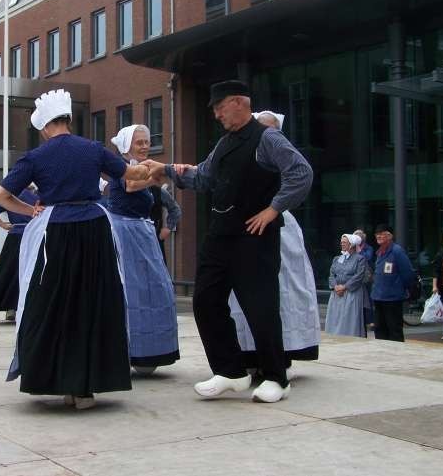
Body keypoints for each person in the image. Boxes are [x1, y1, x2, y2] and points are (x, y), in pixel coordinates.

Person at [145, 80, 313, 403]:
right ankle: (231, 371)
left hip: (254, 237)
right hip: (220, 234)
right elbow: (203, 177)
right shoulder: (224, 144)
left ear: (238, 102)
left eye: (220, 107)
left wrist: (273, 209)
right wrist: (164, 169)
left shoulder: (268, 138)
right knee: (205, 299)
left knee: (260, 307)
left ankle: (277, 378)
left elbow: (301, 173)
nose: (217, 114)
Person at [0, 89, 150, 410]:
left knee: (51, 304)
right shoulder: (92, 149)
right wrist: (154, 168)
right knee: (94, 302)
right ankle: (86, 387)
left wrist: (30, 211)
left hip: (56, 232)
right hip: (94, 229)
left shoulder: (36, 157)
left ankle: (59, 380)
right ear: (67, 120)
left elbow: (0, 197)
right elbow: (132, 174)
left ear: (45, 126)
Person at [228, 110, 320, 378]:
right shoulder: (243, 154)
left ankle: (283, 354)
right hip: (246, 222)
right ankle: (249, 353)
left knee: (285, 289)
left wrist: (275, 208)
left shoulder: (281, 155)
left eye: (271, 129)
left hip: (279, 225)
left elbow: (299, 177)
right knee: (246, 290)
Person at [108, 124, 179, 374]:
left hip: (142, 232)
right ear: (126, 146)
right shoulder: (120, 165)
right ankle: (127, 349)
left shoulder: (144, 165)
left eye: (147, 141)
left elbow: (170, 205)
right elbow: (130, 185)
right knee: (130, 290)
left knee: (153, 289)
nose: (145, 146)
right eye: (139, 142)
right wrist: (155, 177)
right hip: (124, 233)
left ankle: (149, 350)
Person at [0, 185, 40, 321]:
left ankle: (10, 307)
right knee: (30, 273)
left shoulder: (11, 196)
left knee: (9, 272)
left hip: (14, 236)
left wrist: (4, 225)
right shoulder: (37, 196)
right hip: (32, 236)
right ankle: (28, 308)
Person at [371, 224, 415, 342]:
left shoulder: (397, 251)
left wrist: (401, 289)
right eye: (377, 234)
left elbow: (407, 273)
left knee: (394, 330)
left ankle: (397, 352)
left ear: (390, 236)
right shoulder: (379, 252)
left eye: (382, 233)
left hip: (392, 298)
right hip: (378, 297)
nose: (378, 236)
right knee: (379, 329)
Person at [325, 233, 368, 337]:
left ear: (351, 244)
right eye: (341, 242)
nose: (342, 244)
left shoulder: (359, 259)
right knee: (336, 317)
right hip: (337, 293)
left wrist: (345, 287)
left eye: (344, 242)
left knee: (349, 319)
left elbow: (359, 276)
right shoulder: (337, 258)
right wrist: (335, 286)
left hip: (351, 294)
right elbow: (332, 274)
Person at [151, 184, 181, 265]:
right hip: (134, 239)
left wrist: (168, 228)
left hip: (155, 240)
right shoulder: (129, 190)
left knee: (158, 269)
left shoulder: (157, 191)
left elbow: (175, 209)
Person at [354, 228, 375, 329]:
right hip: (355, 276)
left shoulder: (368, 248)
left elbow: (368, 257)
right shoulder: (352, 247)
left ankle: (370, 320)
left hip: (366, 277)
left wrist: (360, 251)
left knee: (368, 298)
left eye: (359, 237)